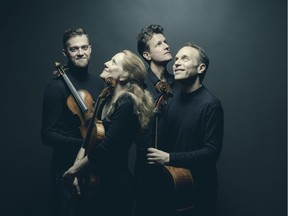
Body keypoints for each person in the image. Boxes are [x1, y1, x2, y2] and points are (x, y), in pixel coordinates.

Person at [63, 50, 155, 216]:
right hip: (93, 182)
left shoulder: (127, 103)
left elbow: (106, 149)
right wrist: (76, 171)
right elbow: (87, 140)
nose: (106, 63)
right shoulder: (105, 98)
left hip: (115, 188)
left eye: (113, 62)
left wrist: (74, 171)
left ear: (124, 75)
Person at [147, 43, 224, 216]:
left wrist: (169, 157)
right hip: (170, 186)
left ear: (201, 68)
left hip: (199, 192)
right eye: (176, 59)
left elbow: (211, 152)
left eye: (185, 58)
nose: (176, 63)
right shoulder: (169, 102)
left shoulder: (211, 104)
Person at [41, 28, 104, 216]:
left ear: (90, 48)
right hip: (65, 167)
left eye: (84, 47)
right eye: (74, 49)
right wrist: (84, 144)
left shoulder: (99, 84)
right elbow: (47, 134)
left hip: (94, 166)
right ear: (65, 53)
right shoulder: (56, 88)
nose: (80, 53)